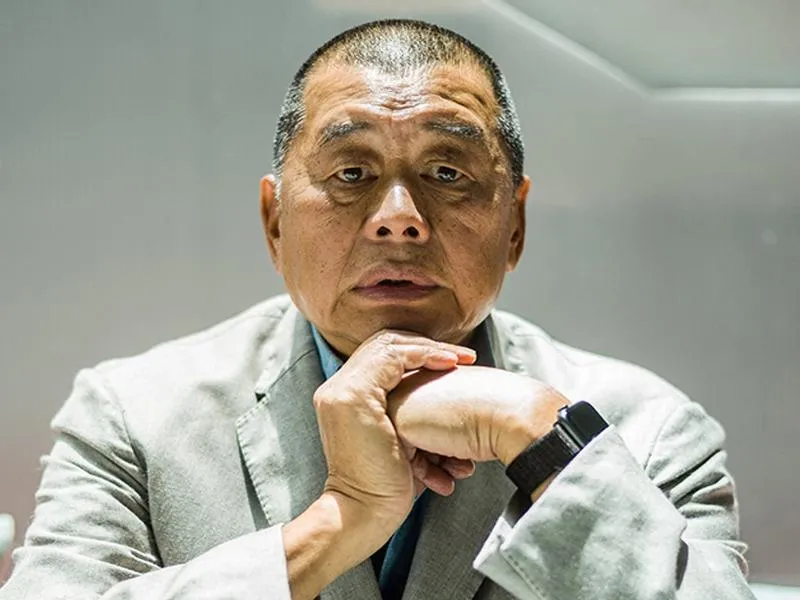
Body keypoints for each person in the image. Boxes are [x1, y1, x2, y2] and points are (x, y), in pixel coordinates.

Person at [0, 19, 753, 600]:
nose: (399, 219)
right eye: (351, 172)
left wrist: (537, 437)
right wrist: (336, 524)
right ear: (274, 222)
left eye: (447, 172)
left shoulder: (647, 430)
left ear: (515, 224)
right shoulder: (134, 415)